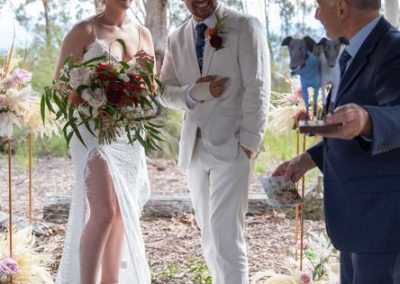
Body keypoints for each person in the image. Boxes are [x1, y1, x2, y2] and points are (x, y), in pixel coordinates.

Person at [273, 0, 400, 283]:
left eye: (319, 5)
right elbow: (347, 129)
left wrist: (368, 119)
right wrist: (307, 160)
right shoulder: (351, 52)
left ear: (342, 8)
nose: (316, 15)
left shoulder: (393, 49)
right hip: (356, 218)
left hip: (383, 222)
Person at [159, 1, 270, 283]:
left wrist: (248, 142)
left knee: (226, 236)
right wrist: (194, 93)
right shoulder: (177, 36)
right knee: (209, 236)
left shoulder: (245, 26)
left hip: (233, 145)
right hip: (194, 149)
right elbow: (163, 91)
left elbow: (257, 85)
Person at [54, 0, 155, 283]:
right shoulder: (84, 30)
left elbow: (151, 89)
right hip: (91, 130)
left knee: (123, 210)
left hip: (128, 132)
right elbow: (59, 85)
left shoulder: (143, 33)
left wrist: (143, 82)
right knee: (104, 211)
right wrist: (92, 103)